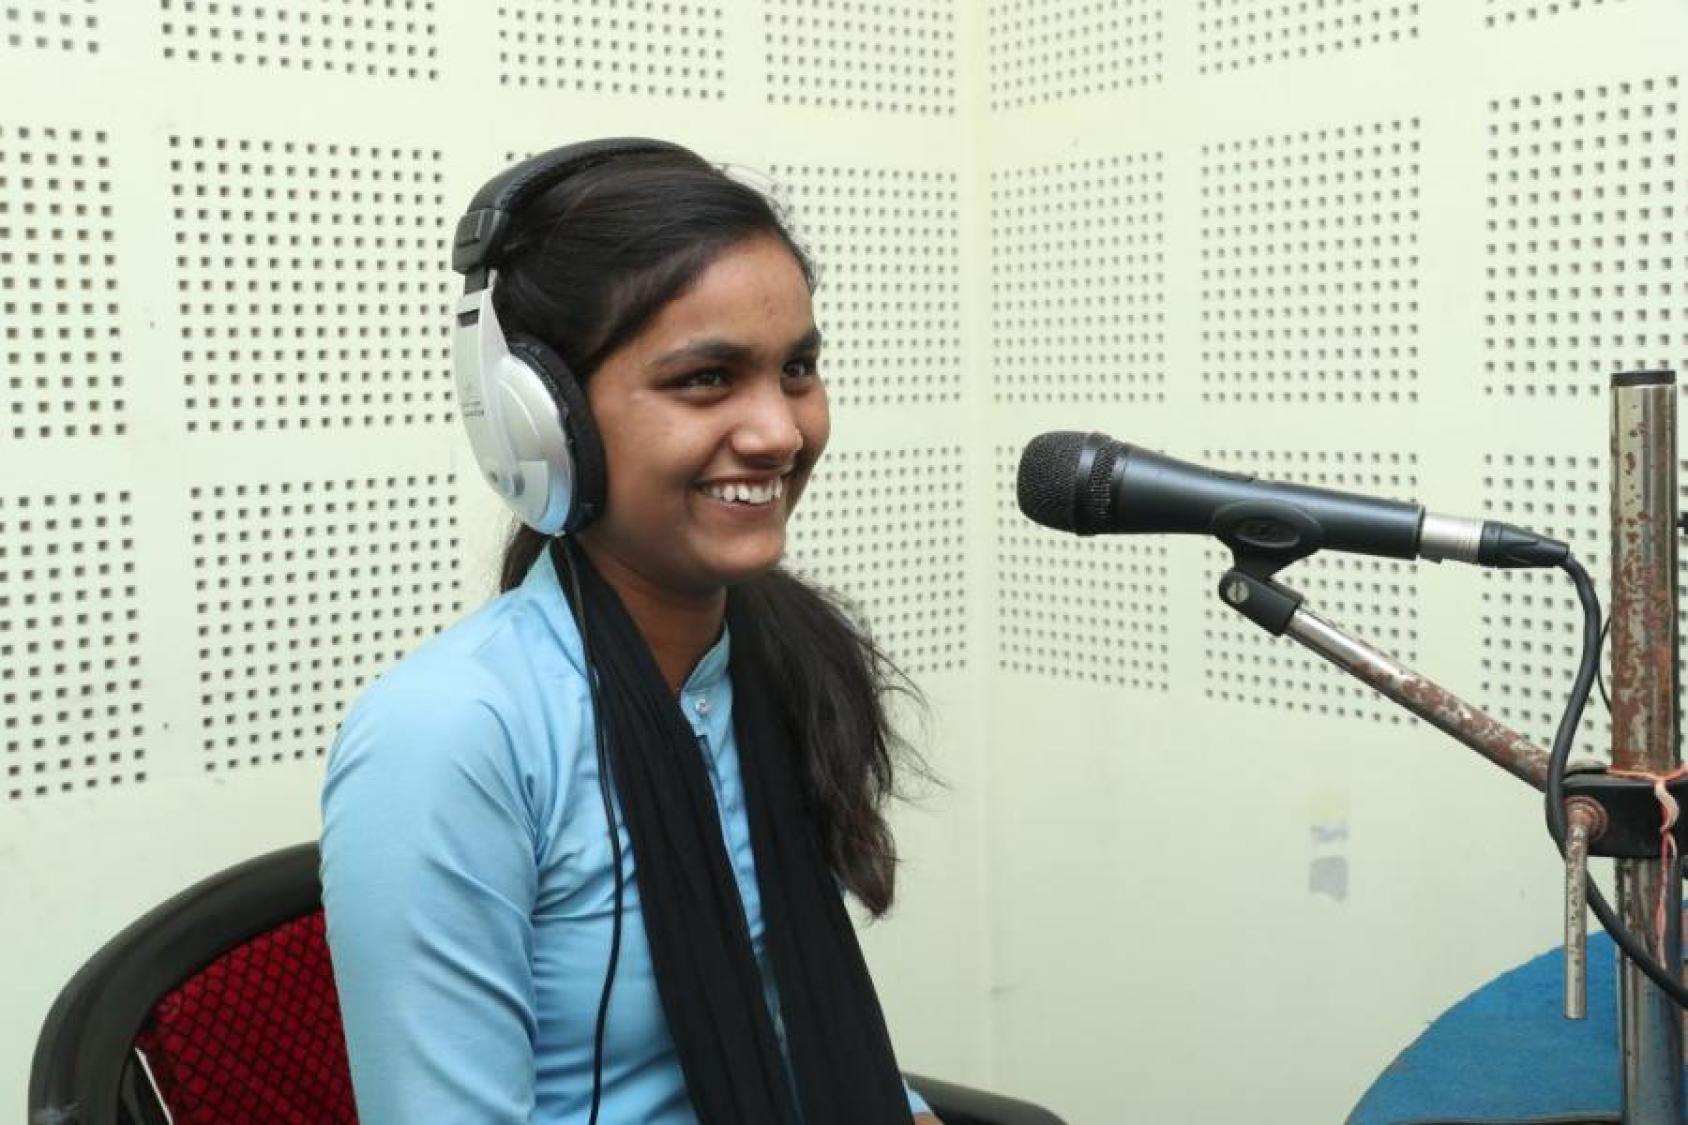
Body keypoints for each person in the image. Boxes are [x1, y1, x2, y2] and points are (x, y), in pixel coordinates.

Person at [319, 138, 942, 1124]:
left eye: (797, 370)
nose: (778, 430)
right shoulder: (447, 736)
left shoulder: (772, 662)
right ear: (540, 420)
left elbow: (786, 1025)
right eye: (705, 379)